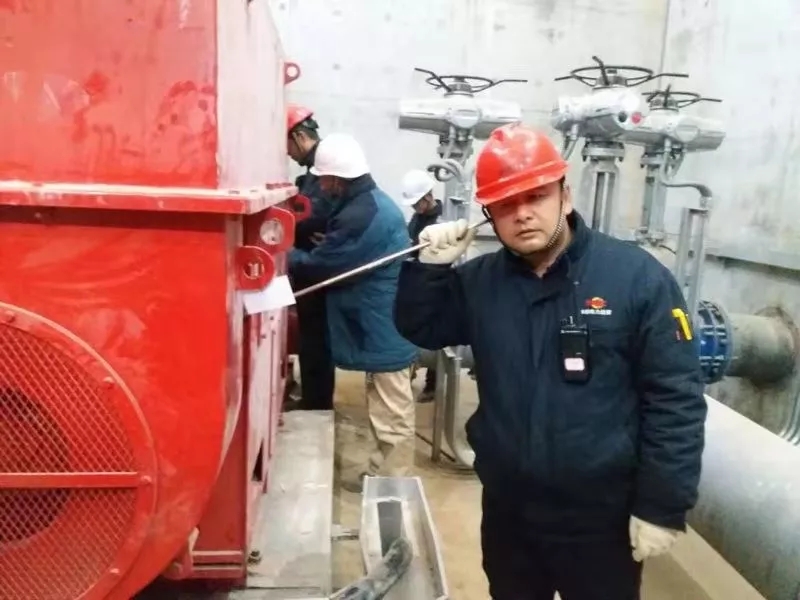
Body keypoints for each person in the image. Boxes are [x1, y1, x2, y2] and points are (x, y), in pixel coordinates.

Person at [393, 123, 707, 599]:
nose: (522, 215)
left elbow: (675, 399)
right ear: (489, 215)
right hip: (510, 513)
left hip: (601, 520)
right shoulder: (480, 283)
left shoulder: (636, 280)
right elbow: (423, 328)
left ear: (565, 194)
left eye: (536, 196)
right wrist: (428, 271)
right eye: (505, 205)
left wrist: (662, 505)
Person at [289, 132, 418, 492]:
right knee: (384, 406)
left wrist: (285, 253)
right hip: (379, 320)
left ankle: (393, 488)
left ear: (337, 179)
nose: (321, 186)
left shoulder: (361, 214)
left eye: (324, 179)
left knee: (391, 411)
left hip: (384, 324)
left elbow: (322, 266)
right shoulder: (365, 203)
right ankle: (383, 475)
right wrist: (332, 243)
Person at [286, 104, 336, 411]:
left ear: (299, 136)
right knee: (311, 336)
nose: (289, 154)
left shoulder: (322, 172)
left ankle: (316, 403)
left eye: (288, 146)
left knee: (316, 338)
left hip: (316, 268)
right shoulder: (312, 174)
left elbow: (314, 217)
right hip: (309, 263)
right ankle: (314, 398)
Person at [400, 168, 443, 403]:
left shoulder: (442, 221)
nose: (415, 208)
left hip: (436, 282)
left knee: (435, 334)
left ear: (428, 196)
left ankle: (432, 384)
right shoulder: (418, 219)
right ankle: (410, 370)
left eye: (417, 203)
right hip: (417, 278)